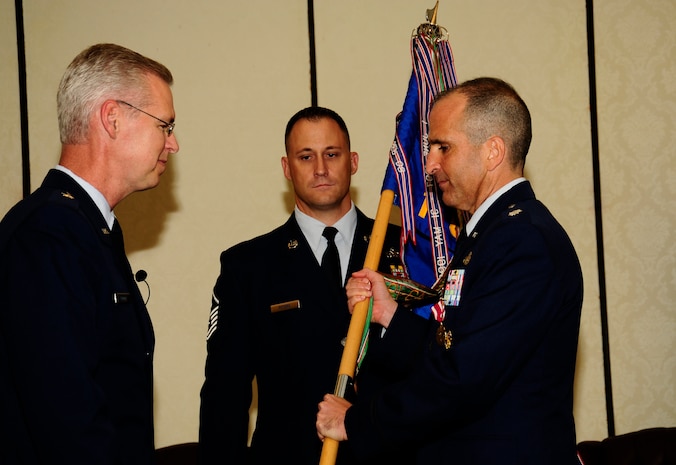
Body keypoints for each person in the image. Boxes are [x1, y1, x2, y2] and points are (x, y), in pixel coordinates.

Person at [317, 77, 584, 464]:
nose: (429, 163)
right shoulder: (491, 234)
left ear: (492, 151)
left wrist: (359, 422)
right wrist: (389, 313)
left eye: (444, 147)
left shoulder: (522, 241)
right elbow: (455, 346)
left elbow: (464, 379)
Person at [0, 43, 179, 465]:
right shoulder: (47, 235)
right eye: (165, 126)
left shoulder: (85, 228)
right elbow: (67, 420)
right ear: (112, 118)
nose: (173, 145)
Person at [198, 106, 403, 465]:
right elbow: (225, 396)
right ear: (286, 167)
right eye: (305, 156)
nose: (320, 169)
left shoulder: (402, 251)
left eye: (332, 154)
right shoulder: (247, 267)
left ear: (353, 162)